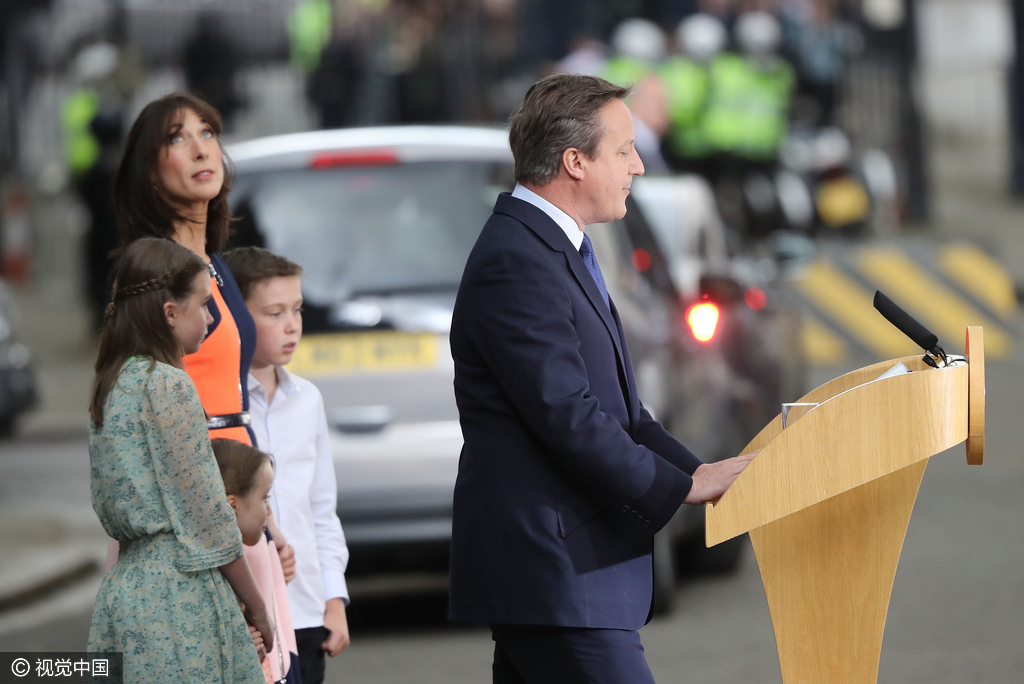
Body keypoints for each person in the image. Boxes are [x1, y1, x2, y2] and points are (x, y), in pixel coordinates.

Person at [447, 73, 756, 683]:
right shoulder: (517, 259)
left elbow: (629, 416)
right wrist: (678, 489)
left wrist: (698, 472)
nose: (638, 166)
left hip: (564, 575)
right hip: (555, 571)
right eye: (623, 151)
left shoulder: (555, 246)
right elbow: (567, 413)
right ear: (574, 162)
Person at [112, 92, 301, 683]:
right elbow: (151, 417)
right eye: (177, 138)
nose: (200, 149)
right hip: (199, 521)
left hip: (237, 501)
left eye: (208, 133)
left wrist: (266, 516)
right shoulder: (154, 274)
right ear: (149, 167)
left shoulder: (215, 264)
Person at [88, 237, 269, 682]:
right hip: (178, 594)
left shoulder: (111, 383)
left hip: (125, 593)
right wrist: (258, 605)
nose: (210, 318)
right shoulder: (166, 385)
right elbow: (207, 515)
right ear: (170, 313)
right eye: (204, 305)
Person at [224, 246, 351, 684]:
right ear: (239, 317)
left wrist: (334, 599)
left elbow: (321, 508)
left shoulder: (308, 400)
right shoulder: (225, 406)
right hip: (251, 612)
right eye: (274, 312)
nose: (292, 324)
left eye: (296, 309)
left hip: (306, 608)